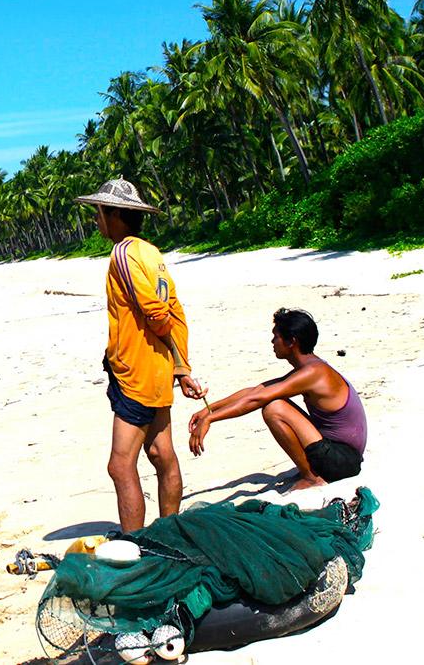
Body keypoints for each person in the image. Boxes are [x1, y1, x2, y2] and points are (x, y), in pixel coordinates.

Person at [74, 179, 207, 532]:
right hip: (158, 370)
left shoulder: (123, 253)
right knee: (163, 456)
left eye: (99, 214)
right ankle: (171, 533)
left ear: (116, 214)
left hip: (137, 373)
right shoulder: (151, 253)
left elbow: (158, 313)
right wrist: (180, 368)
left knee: (120, 466)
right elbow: (176, 311)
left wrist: (166, 343)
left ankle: (137, 546)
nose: (97, 221)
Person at [186, 308, 367, 491]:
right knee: (271, 400)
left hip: (343, 461)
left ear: (291, 342)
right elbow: (257, 390)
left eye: (276, 336)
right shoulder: (310, 368)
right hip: (338, 455)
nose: (272, 342)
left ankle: (311, 477)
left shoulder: (314, 373)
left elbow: (257, 399)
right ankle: (310, 471)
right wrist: (208, 410)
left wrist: (211, 419)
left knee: (274, 408)